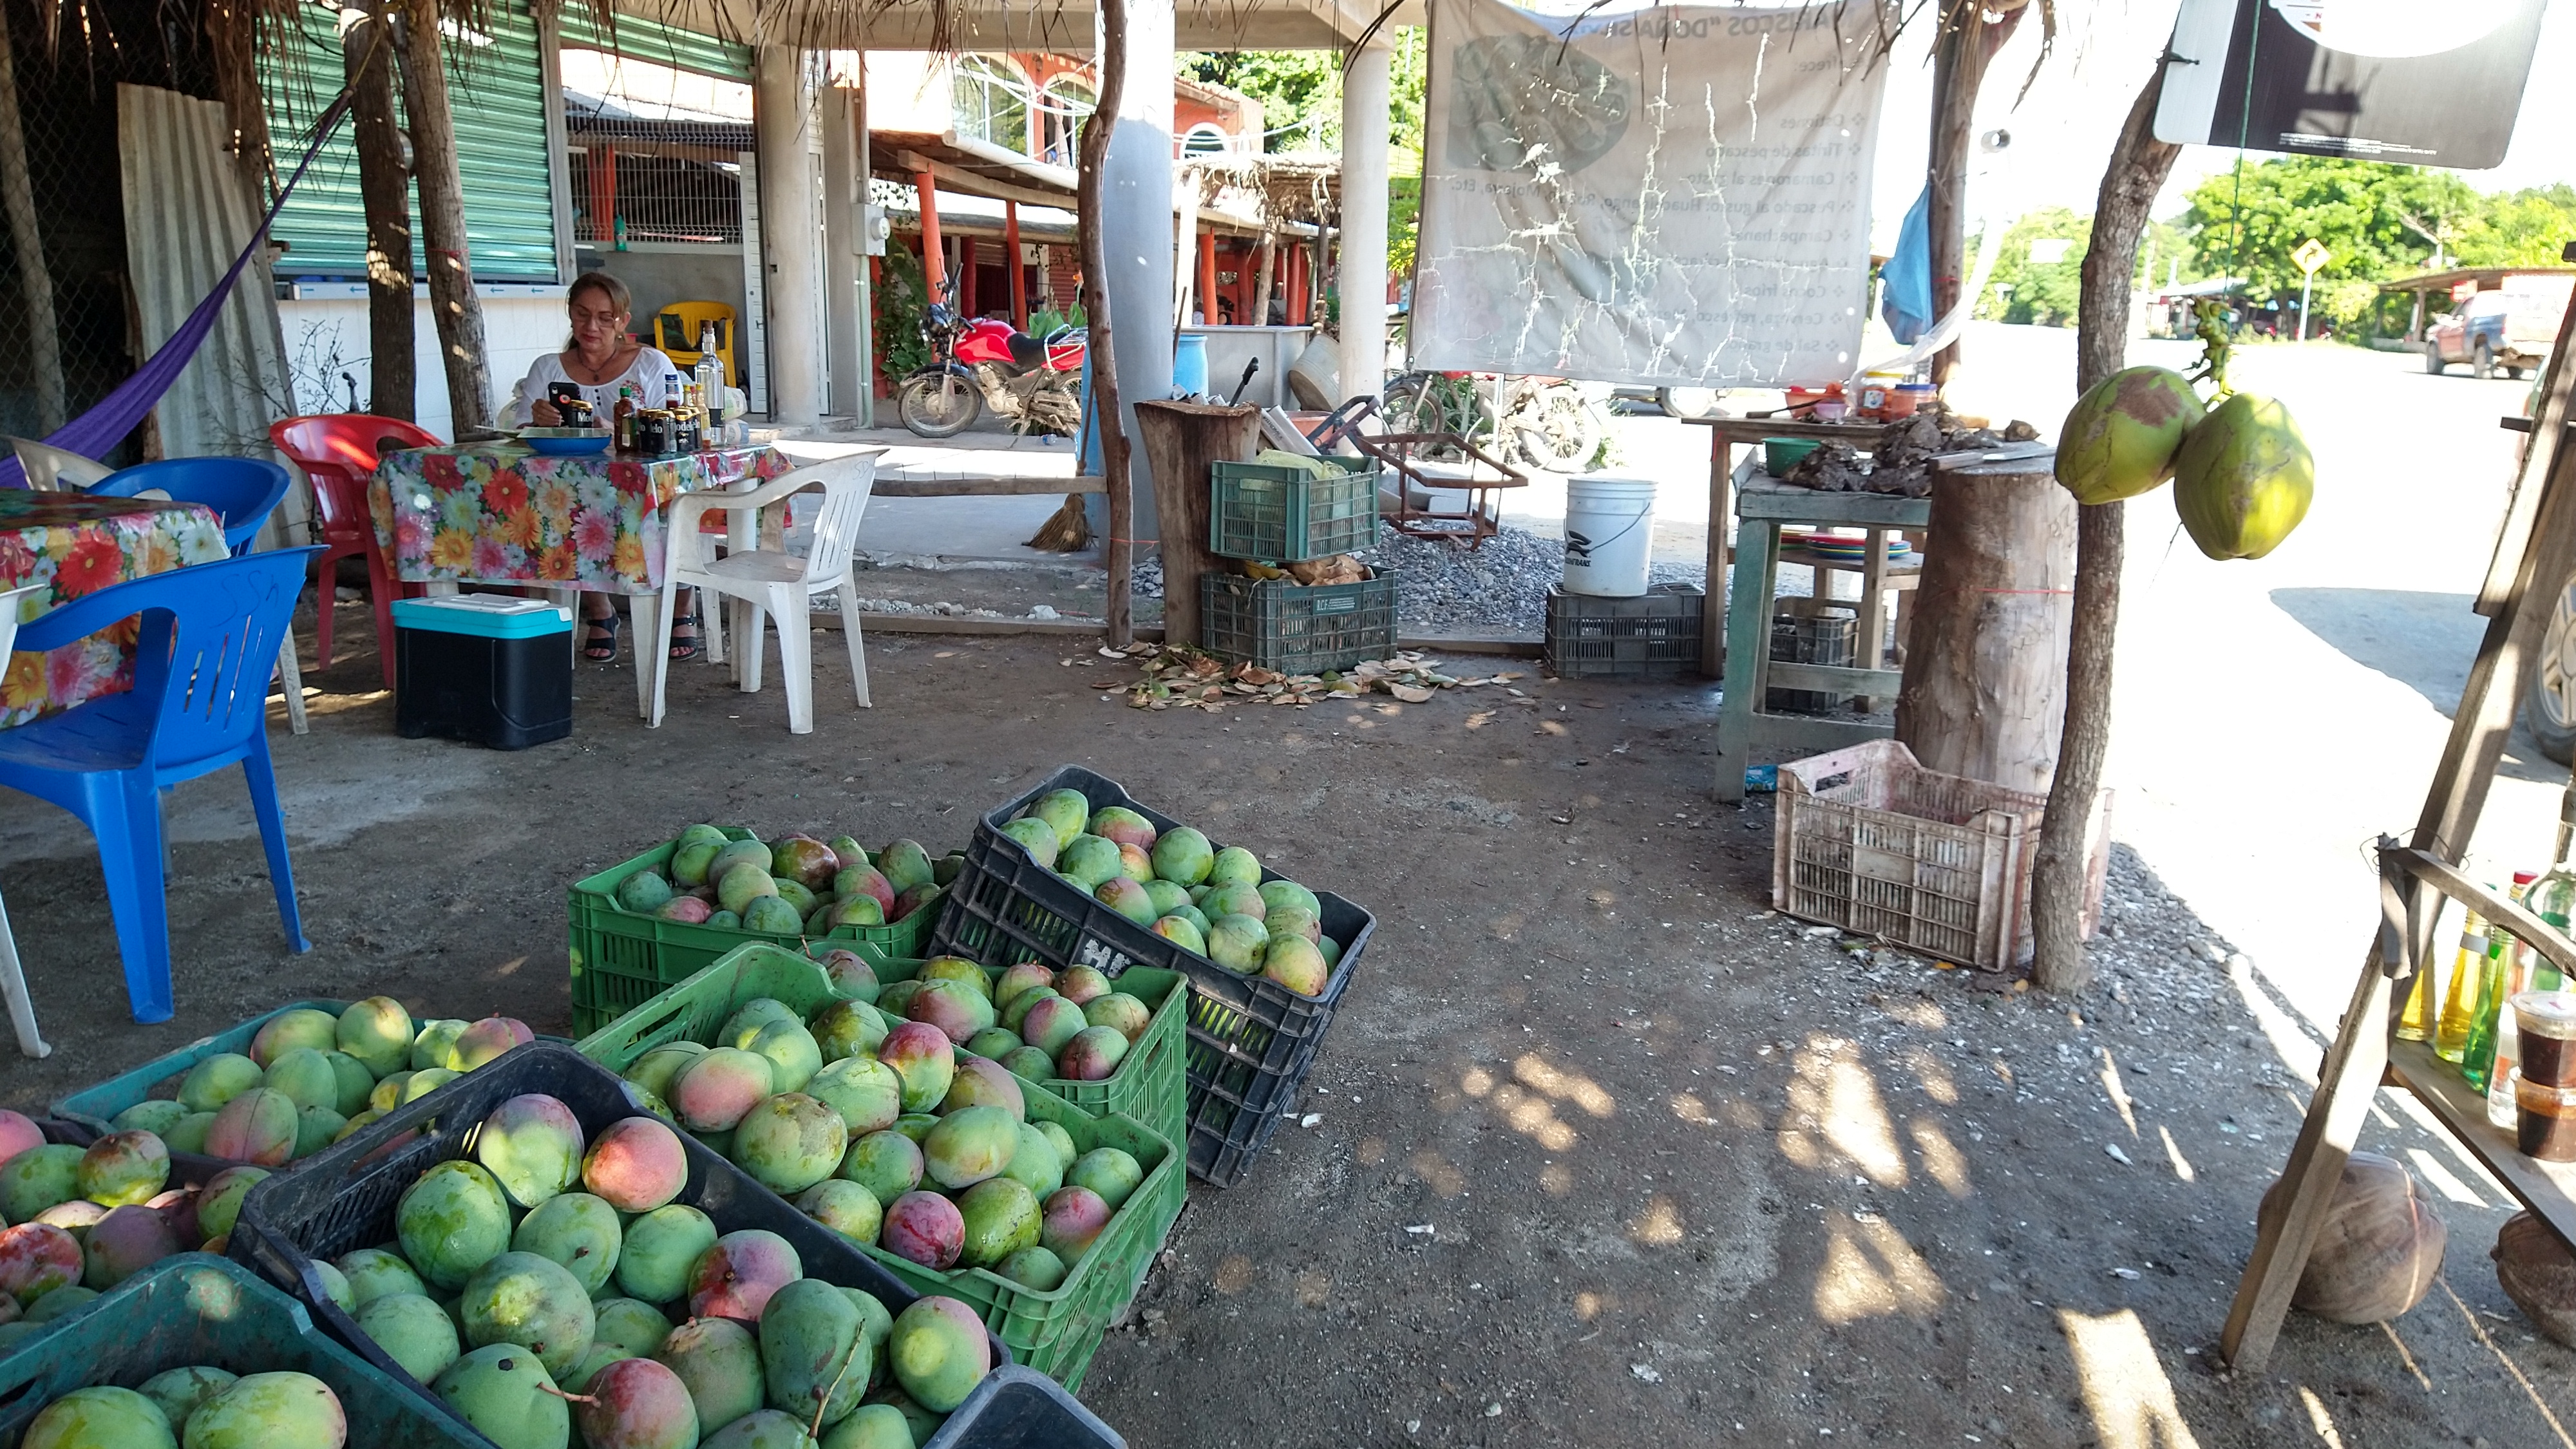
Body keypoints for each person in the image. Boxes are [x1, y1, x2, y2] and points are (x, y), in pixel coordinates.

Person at [506, 272, 703, 662]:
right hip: (577, 484)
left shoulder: (650, 363)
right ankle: (600, 610)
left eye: (604, 317)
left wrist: (614, 429)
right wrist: (539, 421)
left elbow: (675, 426)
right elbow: (519, 433)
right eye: (582, 315)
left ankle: (683, 605)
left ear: (623, 321)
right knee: (563, 509)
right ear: (570, 314)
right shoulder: (548, 367)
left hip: (647, 481)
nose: (591, 326)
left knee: (675, 506)